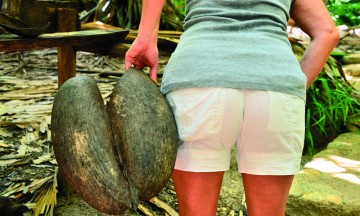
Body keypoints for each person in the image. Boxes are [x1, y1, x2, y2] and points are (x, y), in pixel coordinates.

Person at [125, 0, 339, 215]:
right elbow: (328, 32)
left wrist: (145, 38)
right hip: (275, 81)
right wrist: (290, 85)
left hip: (200, 75)